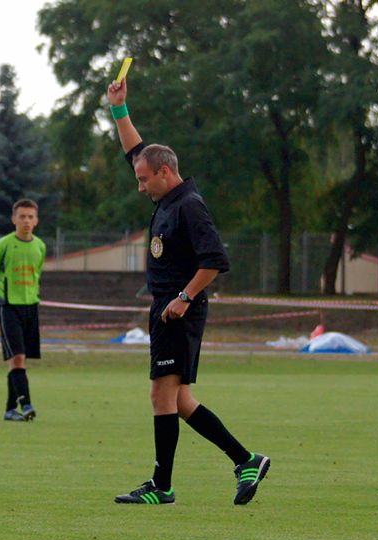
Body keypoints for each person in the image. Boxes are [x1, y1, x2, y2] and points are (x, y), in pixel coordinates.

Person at [106, 79, 270, 505]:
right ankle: (246, 459)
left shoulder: (189, 205)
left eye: (144, 179)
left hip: (178, 310)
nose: (139, 186)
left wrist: (183, 297)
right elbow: (135, 153)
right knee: (178, 399)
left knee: (162, 395)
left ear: (165, 172)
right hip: (166, 309)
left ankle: (162, 487)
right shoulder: (167, 200)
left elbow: (214, 260)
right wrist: (119, 110)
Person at [0, 199, 46, 422]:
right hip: (8, 307)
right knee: (18, 357)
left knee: (19, 359)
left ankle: (10, 409)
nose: (26, 221)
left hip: (31, 306)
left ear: (36, 220)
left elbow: (36, 274)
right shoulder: (3, 245)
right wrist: (0, 298)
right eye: (22, 216)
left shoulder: (40, 246)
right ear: (14, 219)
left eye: (30, 217)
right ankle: (26, 404)